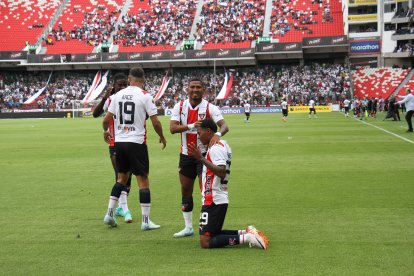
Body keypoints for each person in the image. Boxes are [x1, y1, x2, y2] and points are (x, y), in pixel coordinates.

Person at [187, 118, 268, 249]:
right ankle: (247, 232)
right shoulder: (222, 144)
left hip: (213, 199)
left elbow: (221, 171)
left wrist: (200, 158)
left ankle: (248, 238)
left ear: (208, 131)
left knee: (205, 241)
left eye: (199, 132)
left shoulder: (215, 148)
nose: (198, 135)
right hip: (216, 196)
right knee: (214, 233)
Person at [102, 67, 167, 229]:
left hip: (120, 143)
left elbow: (106, 120)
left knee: (121, 179)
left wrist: (105, 132)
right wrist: (162, 136)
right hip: (136, 142)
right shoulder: (145, 96)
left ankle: (109, 214)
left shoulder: (116, 96)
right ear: (143, 80)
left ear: (129, 78)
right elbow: (155, 122)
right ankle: (145, 222)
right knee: (143, 180)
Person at [170, 78, 229, 238]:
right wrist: (191, 126)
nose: (195, 90)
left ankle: (207, 225)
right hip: (186, 155)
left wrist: (217, 134)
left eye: (198, 87)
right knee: (186, 190)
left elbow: (224, 125)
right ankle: (188, 227)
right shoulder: (180, 106)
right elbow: (172, 128)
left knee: (206, 191)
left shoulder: (210, 107)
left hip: (204, 156)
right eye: (192, 87)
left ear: (204, 90)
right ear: (187, 89)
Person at [93, 73, 133, 223]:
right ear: (113, 86)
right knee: (120, 176)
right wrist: (104, 97)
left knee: (128, 180)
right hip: (115, 143)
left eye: (125, 84)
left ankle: (121, 208)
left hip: (131, 141)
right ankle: (125, 210)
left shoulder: (132, 99)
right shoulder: (110, 100)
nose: (122, 87)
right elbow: (96, 114)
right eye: (119, 85)